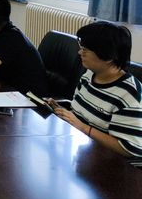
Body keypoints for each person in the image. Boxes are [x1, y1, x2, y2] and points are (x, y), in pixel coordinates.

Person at [53, 22, 142, 157]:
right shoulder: (89, 75)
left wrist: (83, 128)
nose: (80, 53)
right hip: (89, 151)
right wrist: (60, 110)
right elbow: (79, 113)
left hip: (115, 164)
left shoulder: (129, 94)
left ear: (109, 57)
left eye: (85, 50)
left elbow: (129, 148)